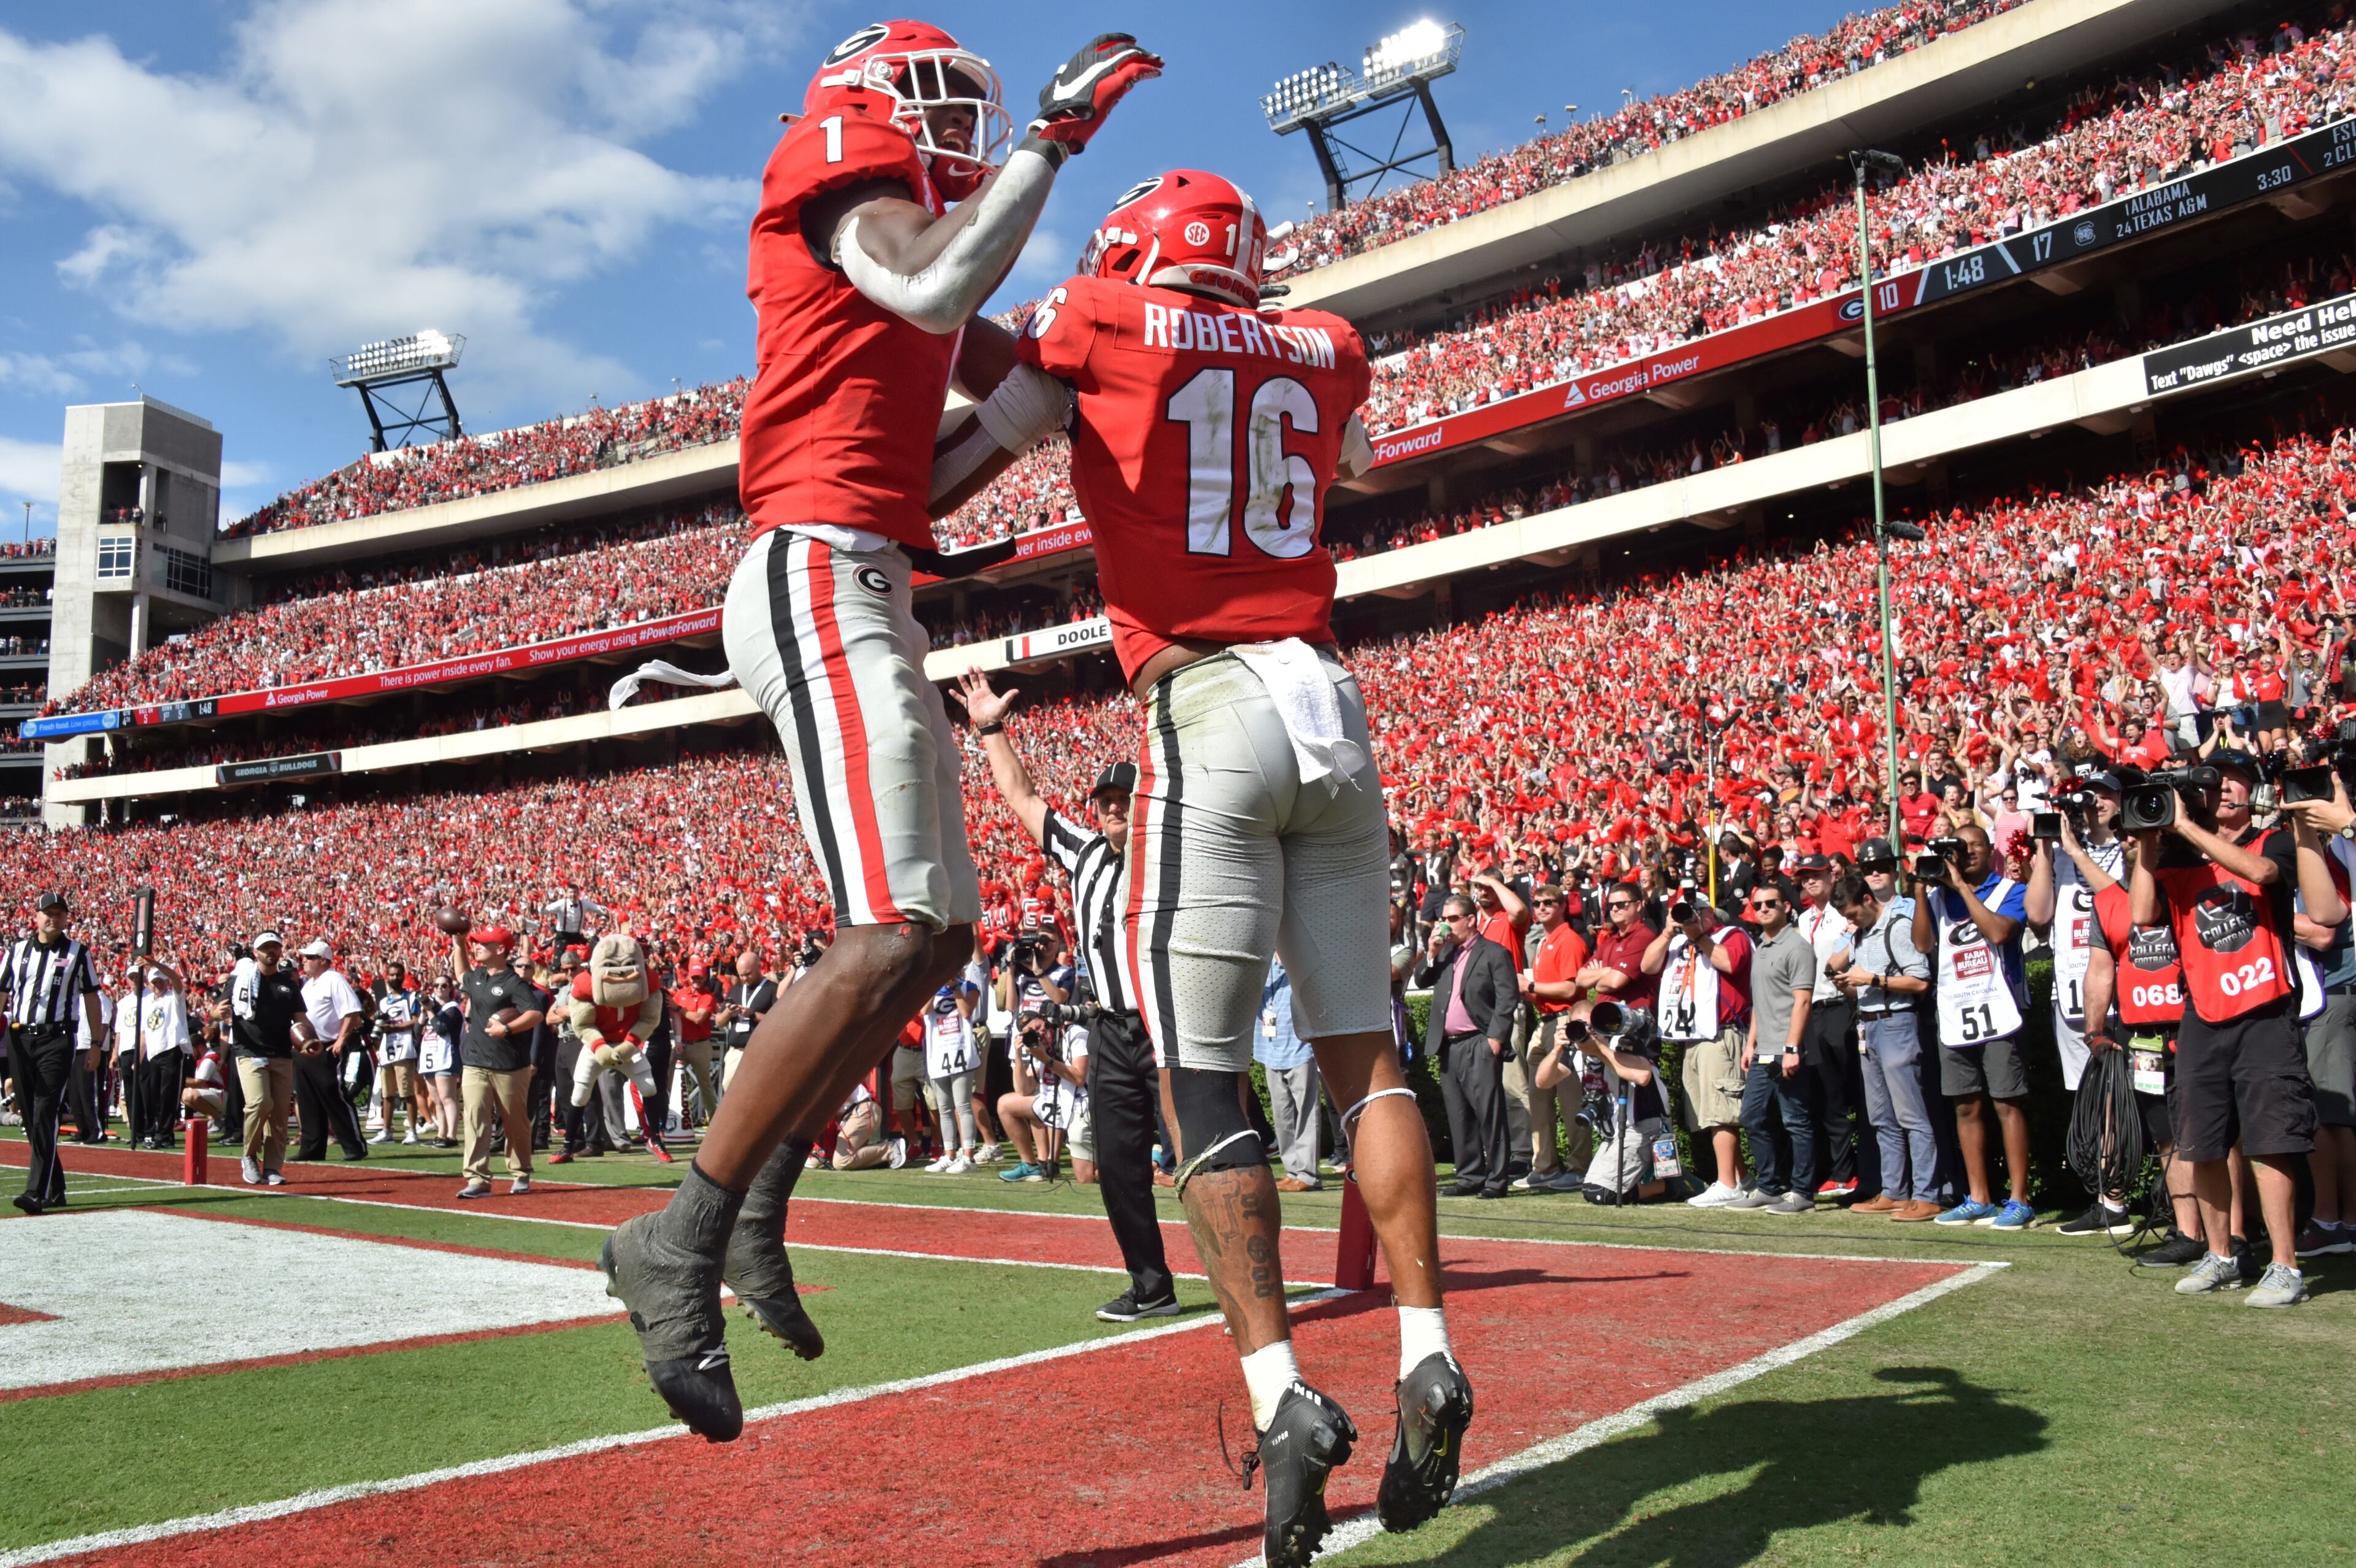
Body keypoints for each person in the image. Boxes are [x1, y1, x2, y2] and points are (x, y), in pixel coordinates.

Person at [601, 21, 1160, 1444]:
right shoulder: (843, 171)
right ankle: (678, 1235)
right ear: (868, 101)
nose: (953, 123)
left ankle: (756, 1201)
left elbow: (939, 457)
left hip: (865, 563)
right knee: (889, 920)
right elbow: (934, 277)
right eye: (938, 99)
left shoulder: (902, 247)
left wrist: (1074, 376)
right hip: (810, 565)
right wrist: (1049, 141)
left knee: (935, 935)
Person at [939, 167, 1469, 1560]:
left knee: (1199, 1071)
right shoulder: (1327, 343)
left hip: (1210, 701)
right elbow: (1346, 461)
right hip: (1333, 708)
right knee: (1366, 1056)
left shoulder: (1104, 315)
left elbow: (970, 459)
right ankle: (1426, 1347)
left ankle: (1281, 1390)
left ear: (1134, 249)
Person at [958, 673, 1177, 1320]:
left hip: (1169, 1023)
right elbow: (1022, 797)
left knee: (1200, 1155)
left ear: (1144, 803)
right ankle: (1151, 1283)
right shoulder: (1082, 854)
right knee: (1115, 1161)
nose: (1112, 808)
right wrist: (991, 730)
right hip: (1111, 1028)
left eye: (1122, 799)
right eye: (1104, 800)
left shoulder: (1169, 850)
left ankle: (1245, 1280)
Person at [2133, 750, 2346, 1306]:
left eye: (2234, 783)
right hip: (2202, 1012)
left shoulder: (2272, 838)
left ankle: (2285, 1266)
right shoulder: (2176, 851)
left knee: (2270, 1141)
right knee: (2201, 1140)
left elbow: (2263, 875)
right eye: (2212, 784)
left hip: (2265, 1009)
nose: (2223, 792)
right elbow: (2141, 914)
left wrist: (2182, 824)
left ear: (2251, 792)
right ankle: (2222, 1254)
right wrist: (2149, 838)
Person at [1911, 824, 2037, 1229]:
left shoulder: (2009, 890)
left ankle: (2019, 1198)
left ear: (1991, 851)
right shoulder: (1938, 898)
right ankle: (1978, 1196)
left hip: (1999, 1009)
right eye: (1958, 848)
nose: (1965, 854)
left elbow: (2001, 932)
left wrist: (1964, 888)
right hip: (1955, 1010)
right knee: (1965, 1104)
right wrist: (1919, 889)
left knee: (2007, 1102)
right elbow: (1922, 944)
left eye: (1975, 846)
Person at [1827, 874, 1940, 1221]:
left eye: (1852, 914)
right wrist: (1850, 984)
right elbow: (1864, 989)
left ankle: (1927, 1194)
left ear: (1867, 899)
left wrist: (1871, 979)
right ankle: (1894, 1191)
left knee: (1911, 1115)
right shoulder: (1860, 936)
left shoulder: (1897, 926)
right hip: (1869, 1024)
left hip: (1897, 1024)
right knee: (1881, 1118)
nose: (1850, 922)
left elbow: (1920, 980)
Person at [1642, 899, 1752, 1205]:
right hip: (1692, 1036)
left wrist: (1698, 935)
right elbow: (1647, 966)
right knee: (1707, 1113)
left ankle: (1727, 1184)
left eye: (1694, 912)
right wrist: (1667, 933)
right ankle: (1742, 1180)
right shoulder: (1676, 941)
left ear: (1708, 914)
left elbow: (1730, 963)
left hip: (1722, 1033)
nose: (1685, 918)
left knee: (1721, 1112)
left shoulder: (1731, 934)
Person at [2025, 772, 2127, 1098]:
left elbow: (2119, 906)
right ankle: (2101, 1153)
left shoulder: (2131, 849)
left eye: (2106, 795)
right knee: (2091, 1099)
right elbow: (2038, 914)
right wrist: (2046, 848)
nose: (2097, 802)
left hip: (2124, 986)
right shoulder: (2063, 854)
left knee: (2131, 1097)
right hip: (2072, 991)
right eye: (2089, 796)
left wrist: (2075, 851)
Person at [4, 891, 106, 1215]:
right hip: (20, 1038)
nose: (53, 918)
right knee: (31, 1115)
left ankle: (36, 1191)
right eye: (48, 913)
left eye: (59, 914)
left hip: (57, 1039)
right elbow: (3, 993)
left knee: (46, 1108)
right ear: (35, 917)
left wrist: (95, 1044)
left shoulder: (78, 953)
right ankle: (57, 1186)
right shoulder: (16, 952)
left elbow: (92, 998)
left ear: (66, 919)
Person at [1419, 896, 1518, 1198]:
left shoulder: (1494, 953)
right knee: (1459, 1115)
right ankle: (1470, 1175)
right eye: (1442, 919)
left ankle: (1497, 1180)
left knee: (1490, 1114)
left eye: (1452, 918)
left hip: (1479, 1042)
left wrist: (1496, 1040)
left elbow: (1507, 998)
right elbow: (1421, 980)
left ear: (1471, 920)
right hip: (1448, 1046)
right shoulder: (1446, 953)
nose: (1444, 924)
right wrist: (1432, 953)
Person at [1730, 885, 1817, 1215]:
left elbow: (1803, 1001)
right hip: (1763, 1049)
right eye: (1758, 905)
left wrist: (1792, 1047)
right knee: (1752, 1117)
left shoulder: (1797, 947)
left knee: (1796, 1121)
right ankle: (1769, 1187)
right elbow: (1759, 1004)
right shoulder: (1762, 946)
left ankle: (1803, 1192)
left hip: (1786, 1049)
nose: (1764, 909)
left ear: (1786, 907)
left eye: (1771, 904)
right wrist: (1750, 1044)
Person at [445, 922, 544, 1200]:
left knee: (515, 1123)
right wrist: (458, 945)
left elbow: (535, 1014)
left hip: (510, 1066)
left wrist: (508, 1029)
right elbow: (461, 973)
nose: (477, 946)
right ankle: (477, 1179)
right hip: (475, 1061)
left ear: (500, 949)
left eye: (483, 943)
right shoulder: (477, 977)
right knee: (475, 1118)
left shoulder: (514, 983)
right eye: (476, 942)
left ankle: (521, 1172)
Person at [1792, 855, 1863, 1199]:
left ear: (1831, 875)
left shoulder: (1845, 914)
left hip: (1842, 1006)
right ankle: (1843, 1174)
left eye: (1816, 875)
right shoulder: (1803, 919)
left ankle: (1872, 1172)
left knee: (1858, 1092)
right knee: (1829, 1097)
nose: (1810, 882)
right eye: (1804, 877)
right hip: (1812, 1011)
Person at [1515, 885, 1591, 1191]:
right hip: (1545, 1022)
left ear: (1563, 907)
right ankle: (1544, 1166)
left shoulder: (1568, 940)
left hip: (1564, 1021)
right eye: (1538, 903)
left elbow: (1571, 989)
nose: (1543, 907)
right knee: (1539, 1099)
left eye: (1550, 902)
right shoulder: (1546, 941)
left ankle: (1579, 1168)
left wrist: (1529, 987)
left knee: (1571, 1099)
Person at [229, 932, 305, 1186]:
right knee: (261, 1103)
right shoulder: (242, 980)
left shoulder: (289, 984)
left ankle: (272, 1167)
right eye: (266, 947)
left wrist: (309, 1041)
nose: (271, 951)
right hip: (250, 1051)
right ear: (255, 951)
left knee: (280, 1114)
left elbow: (300, 1018)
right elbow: (218, 1008)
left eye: (275, 947)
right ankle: (249, 1155)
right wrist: (218, 1012)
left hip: (282, 1053)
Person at [294, 940, 369, 1163]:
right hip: (305, 1047)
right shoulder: (309, 985)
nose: (304, 961)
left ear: (323, 960)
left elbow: (353, 1011)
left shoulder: (333, 979)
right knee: (308, 1100)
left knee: (334, 1095)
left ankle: (354, 1146)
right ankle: (312, 1148)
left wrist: (340, 1040)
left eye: (310, 957)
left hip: (326, 1046)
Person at [1257, 958, 1322, 1192]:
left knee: (1306, 1113)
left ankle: (1308, 1175)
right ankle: (1292, 1170)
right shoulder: (1263, 967)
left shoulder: (1299, 963)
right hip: (1269, 1049)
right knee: (1281, 1115)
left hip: (1299, 1048)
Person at [134, 963, 191, 1149]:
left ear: (166, 981)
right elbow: (144, 1032)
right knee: (153, 1097)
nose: (157, 984)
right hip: (153, 1053)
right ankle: (156, 1132)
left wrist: (156, 963)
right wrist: (138, 1057)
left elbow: (176, 979)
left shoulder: (174, 997)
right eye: (154, 982)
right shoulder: (148, 1003)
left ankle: (165, 1135)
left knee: (169, 1096)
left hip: (171, 1049)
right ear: (149, 984)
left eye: (160, 981)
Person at [371, 963, 423, 1145]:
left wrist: (393, 1027)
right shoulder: (384, 1002)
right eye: (392, 975)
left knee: (407, 1092)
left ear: (403, 976)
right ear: (388, 976)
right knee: (387, 1093)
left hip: (404, 1048)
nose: (395, 978)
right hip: (387, 1050)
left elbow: (416, 1021)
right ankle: (386, 1131)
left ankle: (412, 1131)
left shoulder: (411, 998)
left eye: (398, 975)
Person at [418, 974, 463, 1148]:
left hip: (446, 1056)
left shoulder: (452, 1008)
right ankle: (441, 1134)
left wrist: (430, 1011)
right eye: (436, 985)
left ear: (451, 988)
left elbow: (442, 1029)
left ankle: (452, 1136)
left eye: (444, 986)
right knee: (437, 1100)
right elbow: (416, 1032)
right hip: (430, 1056)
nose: (439, 988)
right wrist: (424, 1014)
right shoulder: (433, 1009)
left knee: (447, 1098)